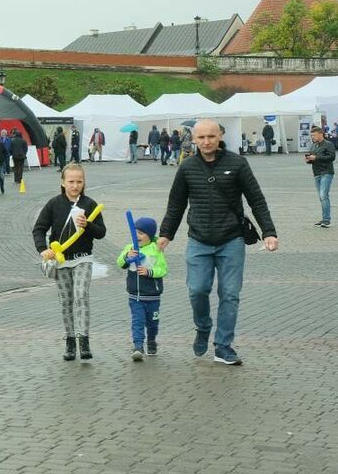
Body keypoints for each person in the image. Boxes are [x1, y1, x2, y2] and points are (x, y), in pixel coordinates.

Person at [158, 119, 278, 366]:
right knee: (197, 290)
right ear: (194, 139)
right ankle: (203, 327)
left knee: (230, 294)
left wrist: (269, 231)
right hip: (198, 241)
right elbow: (176, 204)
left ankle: (223, 345)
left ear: (220, 135)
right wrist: (166, 234)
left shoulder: (237, 163)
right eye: (201, 137)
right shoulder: (187, 167)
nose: (206, 142)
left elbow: (256, 199)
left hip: (231, 240)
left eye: (211, 136)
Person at [33, 163, 107, 361]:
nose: (75, 186)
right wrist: (43, 249)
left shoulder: (90, 204)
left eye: (79, 182)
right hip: (61, 260)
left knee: (81, 295)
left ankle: (84, 341)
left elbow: (101, 232)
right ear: (63, 183)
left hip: (83, 258)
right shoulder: (54, 204)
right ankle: (70, 341)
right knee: (66, 301)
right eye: (71, 181)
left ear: (84, 183)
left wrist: (88, 225)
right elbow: (39, 228)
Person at [117, 216, 168, 361]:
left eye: (141, 233)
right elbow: (120, 262)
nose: (137, 236)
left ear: (149, 235)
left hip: (153, 296)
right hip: (136, 296)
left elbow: (163, 269)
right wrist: (127, 256)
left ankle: (151, 340)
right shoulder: (130, 248)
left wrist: (149, 272)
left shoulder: (156, 249)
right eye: (135, 232)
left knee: (153, 323)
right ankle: (138, 346)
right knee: (137, 321)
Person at [305, 125, 336, 228]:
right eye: (311, 135)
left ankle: (327, 220)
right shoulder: (313, 146)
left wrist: (316, 157)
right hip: (317, 173)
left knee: (323, 195)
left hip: (326, 172)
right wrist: (309, 160)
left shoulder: (328, 144)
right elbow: (313, 159)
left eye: (314, 135)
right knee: (321, 197)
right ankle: (324, 218)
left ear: (320, 134)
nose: (312, 137)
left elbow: (332, 157)